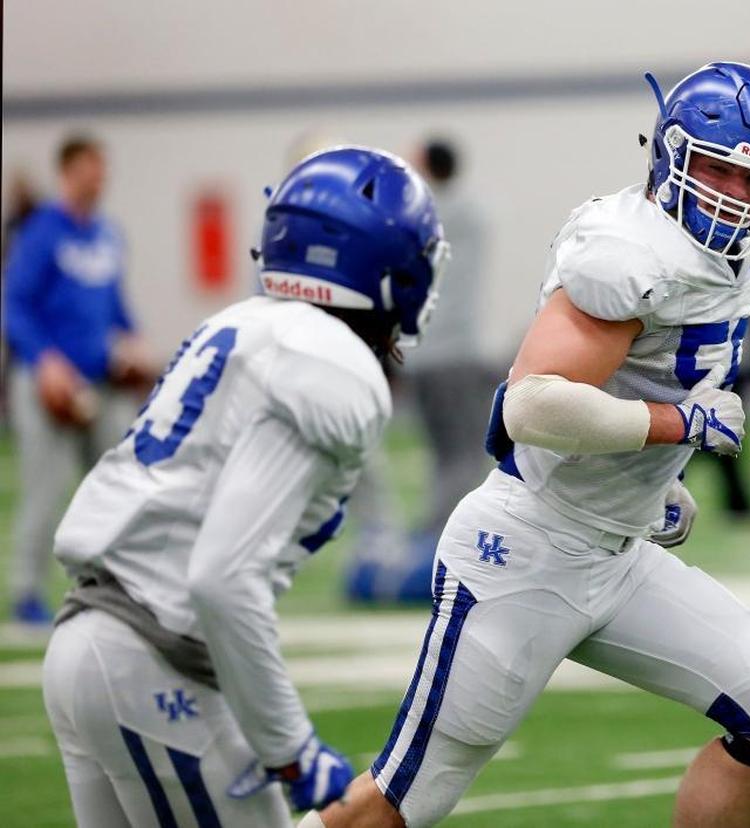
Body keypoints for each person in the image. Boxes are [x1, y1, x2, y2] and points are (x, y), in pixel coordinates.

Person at [313, 62, 750, 828]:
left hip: (614, 555)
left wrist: (652, 485)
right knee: (396, 806)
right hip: (525, 555)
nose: (737, 198)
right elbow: (533, 405)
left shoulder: (734, 256)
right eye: (720, 170)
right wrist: (680, 426)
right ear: (672, 155)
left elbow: (623, 391)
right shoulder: (630, 253)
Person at [41, 146, 449, 826]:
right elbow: (222, 577)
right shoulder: (331, 364)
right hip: (155, 659)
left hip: (90, 637)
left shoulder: (242, 324)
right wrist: (290, 747)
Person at [3, 135, 157, 625]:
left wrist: (135, 341)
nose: (100, 178)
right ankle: (25, 590)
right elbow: (15, 304)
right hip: (47, 383)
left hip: (99, 382)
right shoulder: (43, 232)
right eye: (91, 168)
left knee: (119, 485)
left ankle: (117, 587)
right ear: (67, 171)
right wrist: (44, 360)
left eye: (103, 169)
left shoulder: (108, 235)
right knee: (45, 490)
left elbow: (114, 306)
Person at [349, 137, 498, 603]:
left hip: (423, 352)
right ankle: (439, 542)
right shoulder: (473, 212)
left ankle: (429, 537)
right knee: (463, 455)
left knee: (443, 454)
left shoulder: (421, 214)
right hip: (456, 353)